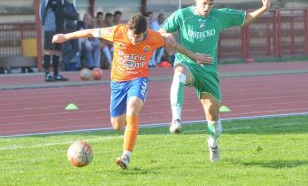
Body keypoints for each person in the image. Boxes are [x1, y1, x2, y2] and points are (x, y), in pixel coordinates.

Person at [53, 13, 212, 170]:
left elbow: (175, 46)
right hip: (117, 83)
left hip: (138, 79)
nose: (133, 40)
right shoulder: (117, 32)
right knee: (117, 125)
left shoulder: (154, 38)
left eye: (138, 37)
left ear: (145, 32)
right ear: (127, 29)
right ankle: (126, 136)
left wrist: (194, 56)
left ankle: (126, 156)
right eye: (131, 36)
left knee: (132, 110)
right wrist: (65, 37)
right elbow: (90, 32)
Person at [160, 0, 272, 162]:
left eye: (210, 5)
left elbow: (246, 18)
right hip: (188, 64)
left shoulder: (220, 16)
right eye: (204, 3)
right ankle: (176, 120)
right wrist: (166, 35)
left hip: (208, 72)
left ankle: (213, 144)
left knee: (213, 117)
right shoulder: (182, 15)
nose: (206, 8)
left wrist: (264, 8)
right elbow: (162, 31)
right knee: (178, 74)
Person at [39, 0, 68, 81]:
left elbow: (65, 12)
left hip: (60, 28)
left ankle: (56, 74)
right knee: (48, 50)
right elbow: (41, 12)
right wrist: (45, 24)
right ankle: (47, 74)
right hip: (50, 28)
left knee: (58, 51)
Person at [61, 0, 79, 71]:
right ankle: (65, 64)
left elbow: (76, 16)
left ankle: (64, 61)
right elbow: (65, 14)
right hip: (65, 28)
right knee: (66, 48)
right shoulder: (61, 4)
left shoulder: (71, 5)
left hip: (73, 28)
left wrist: (71, 15)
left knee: (76, 47)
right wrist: (72, 15)